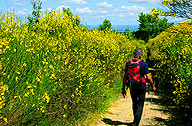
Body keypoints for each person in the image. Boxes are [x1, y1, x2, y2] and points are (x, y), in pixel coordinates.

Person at [122, 48, 156, 126]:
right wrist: (153, 86)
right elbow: (148, 77)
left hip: (132, 85)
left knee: (134, 102)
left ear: (134, 54)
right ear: (141, 55)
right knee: (140, 103)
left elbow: (125, 76)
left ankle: (135, 120)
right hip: (141, 86)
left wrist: (123, 88)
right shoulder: (143, 64)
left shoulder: (128, 63)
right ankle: (136, 122)